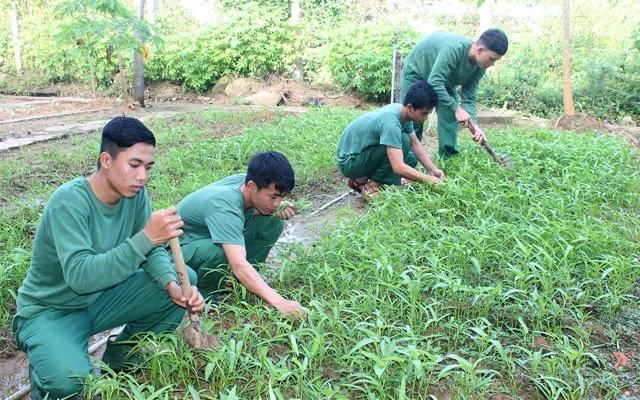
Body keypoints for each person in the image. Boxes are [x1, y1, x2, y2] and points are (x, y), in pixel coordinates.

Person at [12, 116, 206, 400]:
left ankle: (121, 361)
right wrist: (147, 237)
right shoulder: (69, 202)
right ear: (106, 160)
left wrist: (171, 285)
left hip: (99, 301)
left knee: (185, 279)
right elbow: (80, 277)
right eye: (134, 165)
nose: (142, 177)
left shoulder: (135, 196)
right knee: (69, 383)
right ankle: (47, 372)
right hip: (50, 312)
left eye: (148, 168)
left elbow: (151, 252)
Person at [175, 150, 306, 318]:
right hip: (176, 254)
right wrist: (280, 302)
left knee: (273, 221)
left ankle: (242, 283)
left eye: (281, 197)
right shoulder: (225, 206)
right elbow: (238, 263)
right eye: (273, 197)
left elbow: (243, 212)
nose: (277, 203)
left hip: (204, 238)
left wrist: (276, 208)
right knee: (222, 253)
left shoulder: (246, 184)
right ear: (252, 186)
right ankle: (206, 297)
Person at [400, 28, 509, 158]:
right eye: (491, 59)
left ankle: (448, 159)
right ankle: (407, 162)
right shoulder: (453, 49)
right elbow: (435, 82)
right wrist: (456, 108)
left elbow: (469, 98)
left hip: (443, 80)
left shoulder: (480, 67)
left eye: (495, 60)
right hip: (417, 72)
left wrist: (474, 126)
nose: (492, 64)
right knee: (414, 118)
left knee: (450, 114)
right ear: (480, 50)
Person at [336, 80, 445, 197]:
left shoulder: (402, 112)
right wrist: (428, 179)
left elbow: (415, 144)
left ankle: (360, 180)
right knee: (403, 141)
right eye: (424, 113)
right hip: (349, 162)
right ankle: (372, 187)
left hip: (361, 154)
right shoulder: (391, 124)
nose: (426, 118)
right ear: (410, 107)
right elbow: (398, 167)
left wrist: (433, 170)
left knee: (411, 159)